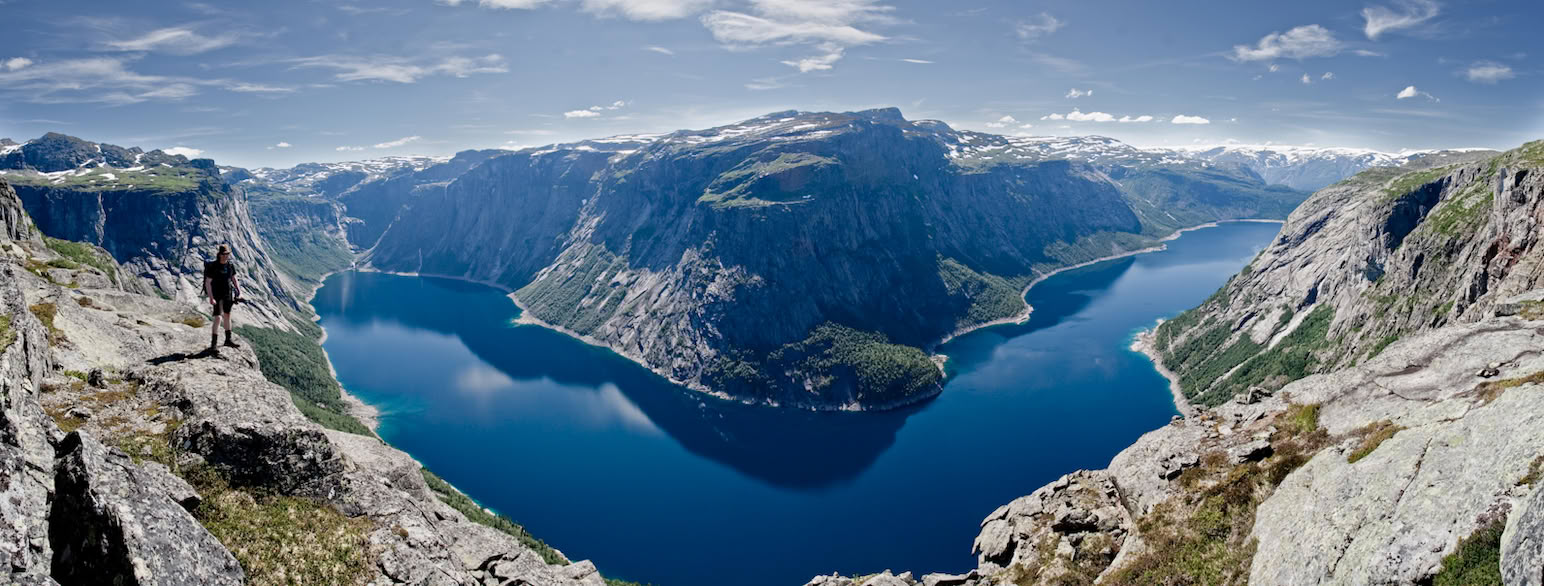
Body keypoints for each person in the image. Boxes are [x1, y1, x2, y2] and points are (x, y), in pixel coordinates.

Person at [203, 245, 242, 354]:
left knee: (227, 315)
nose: (226, 256)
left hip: (227, 294)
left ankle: (228, 340)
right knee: (218, 318)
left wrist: (239, 291)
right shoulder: (214, 266)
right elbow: (208, 283)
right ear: (219, 254)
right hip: (217, 295)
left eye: (228, 254)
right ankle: (213, 345)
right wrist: (211, 298)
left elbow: (234, 278)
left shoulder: (230, 265)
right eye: (224, 254)